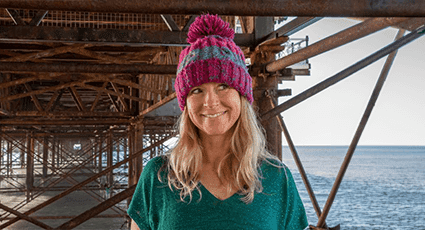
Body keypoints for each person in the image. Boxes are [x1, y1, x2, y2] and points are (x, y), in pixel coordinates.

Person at [127, 14, 308, 230]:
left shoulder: (278, 178)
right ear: (185, 103)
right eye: (197, 90)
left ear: (242, 96)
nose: (210, 102)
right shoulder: (158, 176)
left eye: (223, 86)